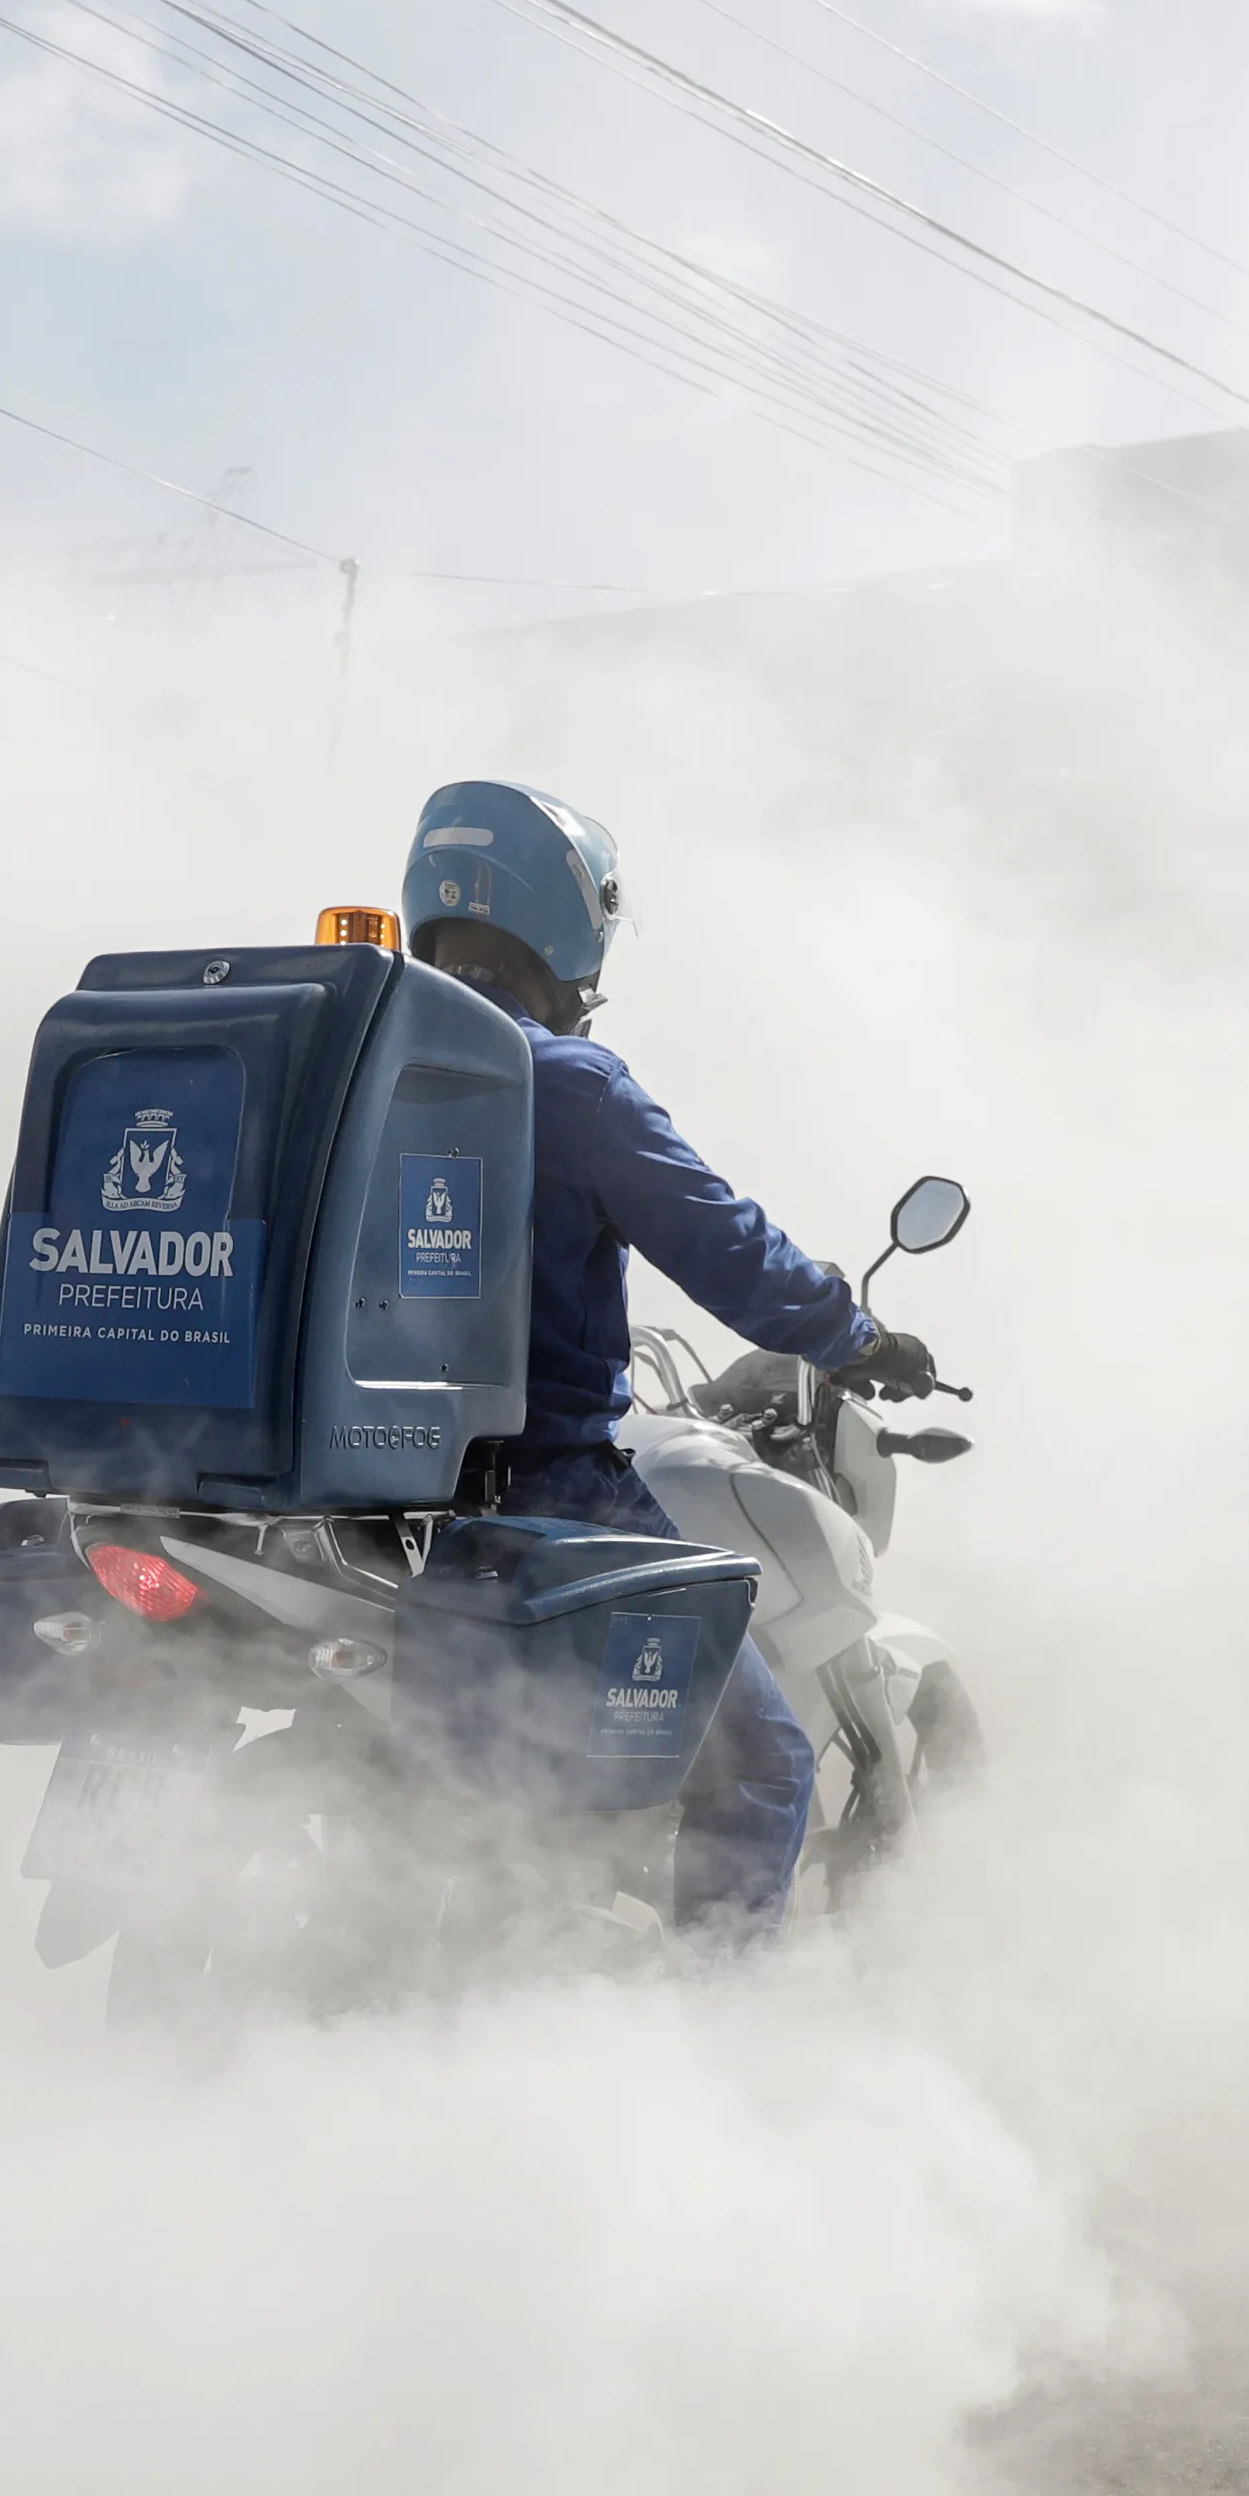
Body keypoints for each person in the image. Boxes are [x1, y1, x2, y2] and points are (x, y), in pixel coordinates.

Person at [401, 777, 939, 1943]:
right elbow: (724, 1247)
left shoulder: (347, 1073)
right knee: (760, 1769)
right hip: (542, 1494)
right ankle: (713, 2042)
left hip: (336, 1500)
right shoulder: (569, 1084)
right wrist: (852, 1335)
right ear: (563, 921)